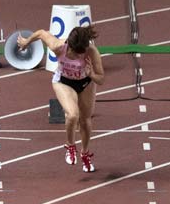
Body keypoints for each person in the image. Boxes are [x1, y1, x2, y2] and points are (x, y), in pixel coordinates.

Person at [16, 25, 105, 173]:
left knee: (85, 120)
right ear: (69, 45)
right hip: (63, 81)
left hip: (85, 82)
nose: (77, 57)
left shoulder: (91, 52)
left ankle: (85, 153)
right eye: (74, 53)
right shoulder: (58, 46)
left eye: (79, 54)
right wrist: (26, 42)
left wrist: (91, 75)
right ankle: (70, 146)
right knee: (72, 115)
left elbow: (101, 79)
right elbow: (41, 33)